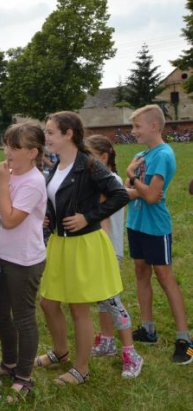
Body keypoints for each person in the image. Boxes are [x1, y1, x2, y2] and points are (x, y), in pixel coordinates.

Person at [35, 112, 129, 386]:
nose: (46, 138)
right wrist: (49, 217)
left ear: (68, 134)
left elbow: (120, 194)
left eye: (50, 132)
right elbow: (56, 199)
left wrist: (88, 217)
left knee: (79, 309)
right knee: (48, 302)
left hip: (83, 245)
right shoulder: (56, 165)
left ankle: (81, 369)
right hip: (60, 243)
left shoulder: (89, 164)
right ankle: (61, 352)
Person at [124, 105, 191, 364]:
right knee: (141, 272)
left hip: (155, 227)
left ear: (154, 126)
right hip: (136, 223)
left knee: (164, 276)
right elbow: (125, 191)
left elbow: (151, 197)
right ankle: (148, 329)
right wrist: (138, 187)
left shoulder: (163, 154)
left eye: (137, 126)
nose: (133, 131)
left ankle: (185, 340)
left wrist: (132, 177)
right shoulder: (141, 154)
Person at [0, 123, 47, 402]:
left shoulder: (33, 182)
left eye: (15, 147)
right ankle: (9, 363)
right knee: (1, 313)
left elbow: (11, 220)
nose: (7, 151)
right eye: (6, 145)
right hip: (2, 255)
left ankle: (24, 376)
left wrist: (3, 185)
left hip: (24, 260)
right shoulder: (10, 175)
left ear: (33, 153)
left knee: (23, 318)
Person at [85, 135, 143, 378]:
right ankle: (107, 340)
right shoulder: (107, 180)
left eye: (89, 157)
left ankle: (131, 353)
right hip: (101, 248)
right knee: (103, 299)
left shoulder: (108, 181)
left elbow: (104, 219)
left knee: (112, 300)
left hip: (107, 250)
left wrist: (103, 251)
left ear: (103, 157)